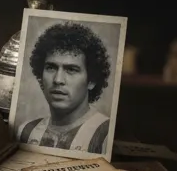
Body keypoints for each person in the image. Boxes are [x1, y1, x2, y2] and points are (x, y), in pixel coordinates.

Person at [16, 22, 112, 154]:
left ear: (91, 81)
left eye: (71, 69)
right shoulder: (26, 131)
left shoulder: (106, 134)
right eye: (51, 68)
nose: (58, 80)